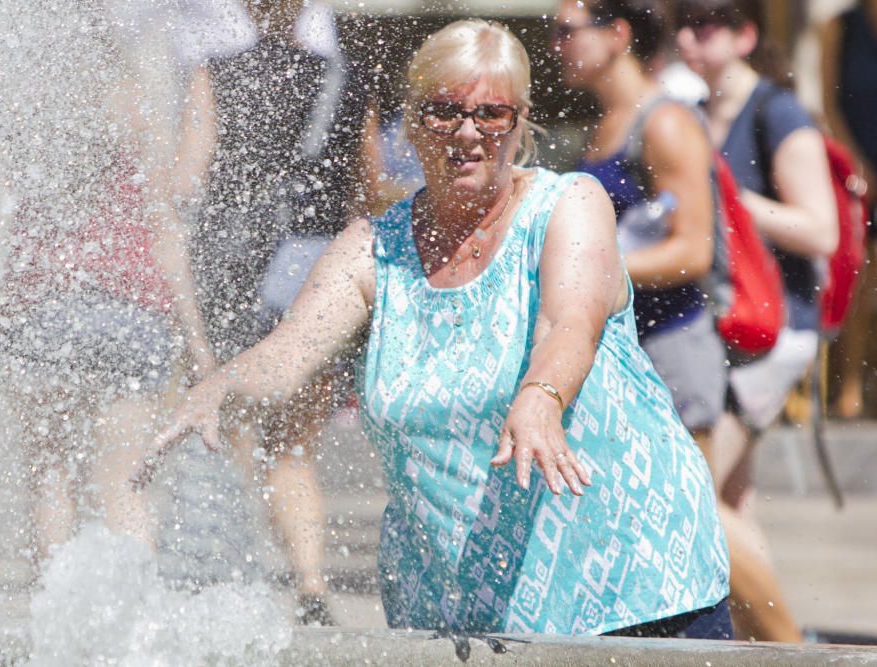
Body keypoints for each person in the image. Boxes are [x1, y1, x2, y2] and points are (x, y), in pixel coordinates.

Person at [138, 19, 732, 637]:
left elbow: (568, 322)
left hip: (628, 580)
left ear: (521, 122)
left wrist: (540, 397)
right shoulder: (373, 249)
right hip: (458, 606)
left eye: (492, 114)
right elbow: (289, 353)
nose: (468, 133)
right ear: (412, 121)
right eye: (443, 112)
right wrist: (217, 386)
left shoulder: (569, 205)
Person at [0, 8, 213, 571]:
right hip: (133, 316)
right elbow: (164, 226)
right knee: (124, 483)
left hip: (42, 314)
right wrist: (198, 345)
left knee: (49, 477)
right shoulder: (134, 106)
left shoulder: (21, 106)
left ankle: (56, 624)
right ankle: (135, 632)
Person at [171, 0, 369, 624]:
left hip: (238, 274)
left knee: (228, 429)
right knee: (295, 448)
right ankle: (311, 584)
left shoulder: (218, 72)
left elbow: (188, 174)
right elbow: (369, 185)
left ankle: (239, 569)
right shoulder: (349, 77)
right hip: (319, 278)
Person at [676, 0, 839, 642]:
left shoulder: (778, 112)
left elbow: (820, 228)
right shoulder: (689, 114)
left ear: (746, 35)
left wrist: (725, 199)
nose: (690, 36)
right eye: (683, 25)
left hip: (776, 333)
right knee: (732, 501)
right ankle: (754, 645)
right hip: (725, 332)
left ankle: (786, 645)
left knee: (699, 494)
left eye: (707, 24)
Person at [553, 0, 722, 457]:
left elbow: (692, 251)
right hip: (629, 344)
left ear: (617, 35)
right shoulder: (604, 125)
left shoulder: (664, 121)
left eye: (568, 31)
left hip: (673, 344)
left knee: (697, 517)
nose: (556, 45)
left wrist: (588, 273)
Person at [820, 0, 877, 419]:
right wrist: (856, 163)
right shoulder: (839, 28)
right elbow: (828, 101)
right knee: (858, 278)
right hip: (860, 169)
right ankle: (851, 386)